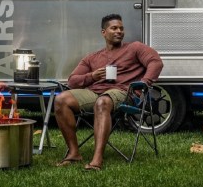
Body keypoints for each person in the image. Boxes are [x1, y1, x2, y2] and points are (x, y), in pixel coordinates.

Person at [54, 13, 163, 171]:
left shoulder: (134, 48)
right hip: (96, 92)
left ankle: (97, 159)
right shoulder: (92, 58)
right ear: (103, 32)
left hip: (124, 92)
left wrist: (144, 83)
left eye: (121, 28)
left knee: (102, 102)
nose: (119, 31)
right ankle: (73, 153)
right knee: (61, 100)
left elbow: (155, 62)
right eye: (114, 28)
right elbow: (72, 81)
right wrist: (92, 76)